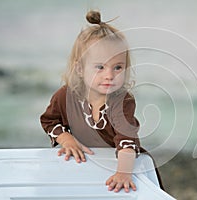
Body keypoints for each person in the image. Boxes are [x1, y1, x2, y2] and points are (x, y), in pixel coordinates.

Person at [40, 10, 163, 193]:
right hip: (86, 163)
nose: (109, 75)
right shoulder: (66, 95)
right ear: (80, 69)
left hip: (124, 165)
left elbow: (126, 142)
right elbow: (49, 120)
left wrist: (123, 173)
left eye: (118, 67)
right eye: (100, 67)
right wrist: (66, 139)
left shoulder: (121, 101)